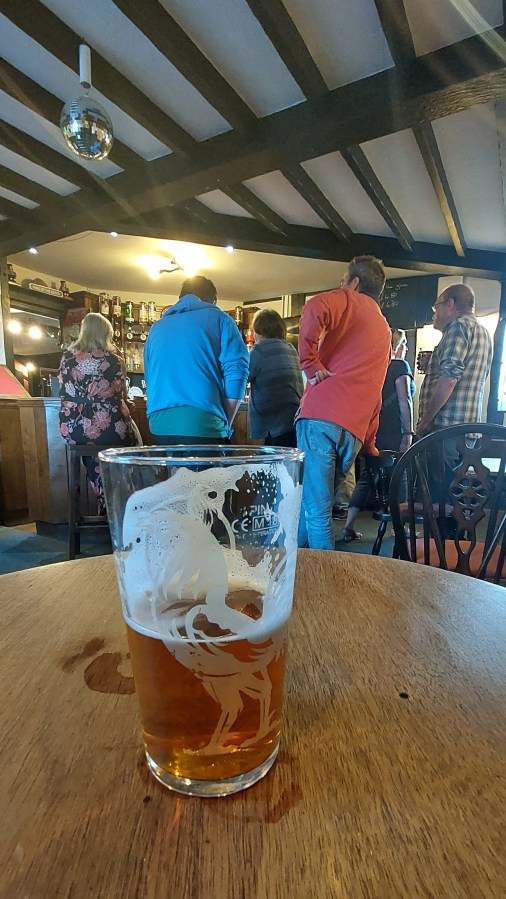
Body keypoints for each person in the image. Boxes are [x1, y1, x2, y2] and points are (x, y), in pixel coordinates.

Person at [296, 255, 391, 550]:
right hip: (353, 431)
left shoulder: (348, 300)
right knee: (311, 504)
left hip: (321, 417)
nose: (341, 286)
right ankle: (291, 565)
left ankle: (324, 586)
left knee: (318, 510)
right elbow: (376, 392)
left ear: (355, 283)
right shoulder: (386, 331)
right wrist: (371, 440)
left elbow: (315, 307)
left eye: (343, 281)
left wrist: (308, 362)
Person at [144, 275, 249, 444]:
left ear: (179, 299)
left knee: (173, 472)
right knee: (209, 472)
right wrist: (226, 422)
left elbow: (149, 376)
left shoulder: (156, 328)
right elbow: (237, 371)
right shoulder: (221, 320)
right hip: (203, 422)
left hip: (159, 424)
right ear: (213, 302)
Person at [58, 311, 136, 516]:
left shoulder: (67, 358)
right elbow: (121, 394)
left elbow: (63, 391)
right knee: (133, 444)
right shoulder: (114, 359)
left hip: (73, 427)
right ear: (105, 334)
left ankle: (102, 495)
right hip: (110, 428)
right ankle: (117, 504)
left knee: (91, 450)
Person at [342, 328, 415, 542]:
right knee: (399, 477)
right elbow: (405, 400)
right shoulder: (400, 366)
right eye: (404, 344)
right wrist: (408, 432)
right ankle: (398, 528)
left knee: (367, 477)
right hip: (394, 430)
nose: (406, 349)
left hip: (372, 429)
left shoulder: (370, 366)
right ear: (397, 346)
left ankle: (348, 525)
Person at [416, 283, 492, 437]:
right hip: (467, 430)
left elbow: (449, 379)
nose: (434, 315)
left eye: (436, 308)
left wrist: (425, 422)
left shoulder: (458, 327)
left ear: (449, 304)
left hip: (445, 430)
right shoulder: (483, 331)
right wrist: (434, 362)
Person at [248, 308, 304, 447]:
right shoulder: (290, 347)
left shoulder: (259, 349)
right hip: (293, 418)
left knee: (272, 465)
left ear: (259, 329)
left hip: (273, 423)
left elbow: (242, 377)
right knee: (287, 464)